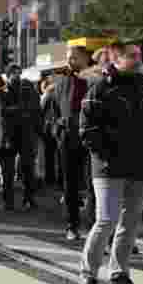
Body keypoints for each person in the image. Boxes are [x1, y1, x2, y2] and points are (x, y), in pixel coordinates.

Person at [75, 41, 143, 284]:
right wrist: (107, 155)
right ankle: (86, 276)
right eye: (131, 56)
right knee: (107, 220)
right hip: (109, 167)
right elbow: (86, 129)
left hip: (138, 167)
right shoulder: (100, 88)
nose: (137, 60)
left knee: (130, 223)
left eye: (139, 56)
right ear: (116, 58)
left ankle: (119, 276)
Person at [44, 46, 95, 242]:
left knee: (93, 185)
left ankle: (93, 227)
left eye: (74, 58)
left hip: (89, 139)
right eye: (68, 58)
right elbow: (52, 111)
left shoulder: (93, 80)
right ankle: (72, 225)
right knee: (70, 185)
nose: (70, 61)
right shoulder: (60, 82)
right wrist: (58, 130)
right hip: (67, 139)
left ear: (84, 59)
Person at [0, 64, 40, 211]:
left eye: (19, 73)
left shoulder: (26, 89)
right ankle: (8, 202)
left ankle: (29, 199)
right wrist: (22, 110)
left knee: (27, 170)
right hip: (6, 137)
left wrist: (17, 110)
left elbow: (34, 108)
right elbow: (2, 112)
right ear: (8, 76)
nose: (17, 76)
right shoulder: (1, 88)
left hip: (23, 135)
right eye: (14, 74)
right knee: (8, 173)